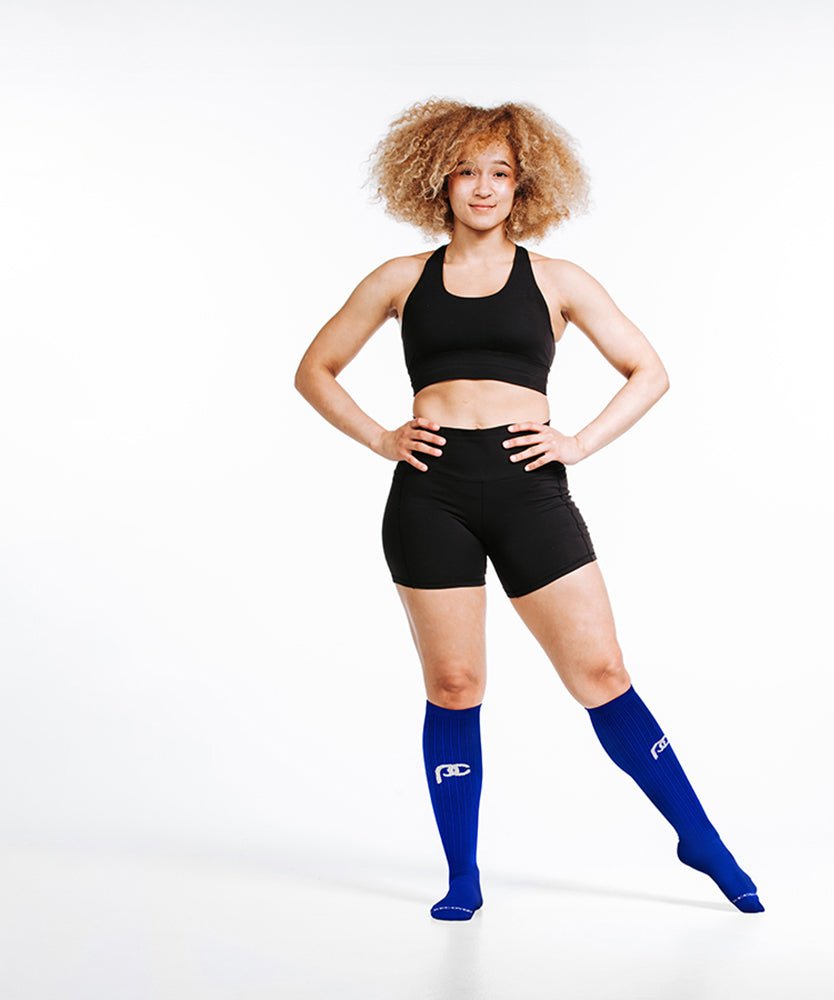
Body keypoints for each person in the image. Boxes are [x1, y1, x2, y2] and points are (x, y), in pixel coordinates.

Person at [293, 98, 764, 921]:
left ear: (524, 185)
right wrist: (380, 437)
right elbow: (314, 370)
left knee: (602, 674)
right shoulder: (400, 278)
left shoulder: (557, 280)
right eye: (466, 171)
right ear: (438, 181)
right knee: (454, 683)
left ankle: (701, 839)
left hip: (528, 490)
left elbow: (648, 371)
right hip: (431, 492)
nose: (483, 187)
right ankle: (462, 876)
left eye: (500, 173)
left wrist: (578, 442)